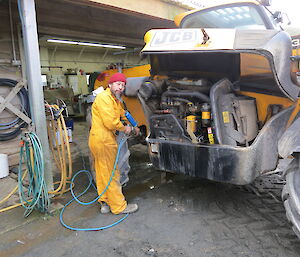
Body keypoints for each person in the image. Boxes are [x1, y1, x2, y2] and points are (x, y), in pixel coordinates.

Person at [89, 72, 139, 214]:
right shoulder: (104, 98)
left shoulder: (114, 100)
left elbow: (123, 113)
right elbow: (111, 123)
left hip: (100, 140)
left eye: (123, 85)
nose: (120, 88)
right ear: (110, 84)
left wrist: (134, 125)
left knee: (102, 173)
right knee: (112, 174)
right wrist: (126, 128)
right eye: (118, 84)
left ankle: (104, 202)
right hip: (103, 141)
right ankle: (119, 207)